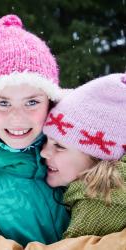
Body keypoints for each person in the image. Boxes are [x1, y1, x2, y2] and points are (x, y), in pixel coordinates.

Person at [0, 14, 69, 246]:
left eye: (32, 102)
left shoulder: (78, 155)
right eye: (3, 103)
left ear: (50, 102)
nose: (17, 117)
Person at [41, 73, 126, 238]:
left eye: (59, 146)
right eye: (46, 141)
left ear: (98, 157)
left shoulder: (99, 205)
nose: (44, 152)